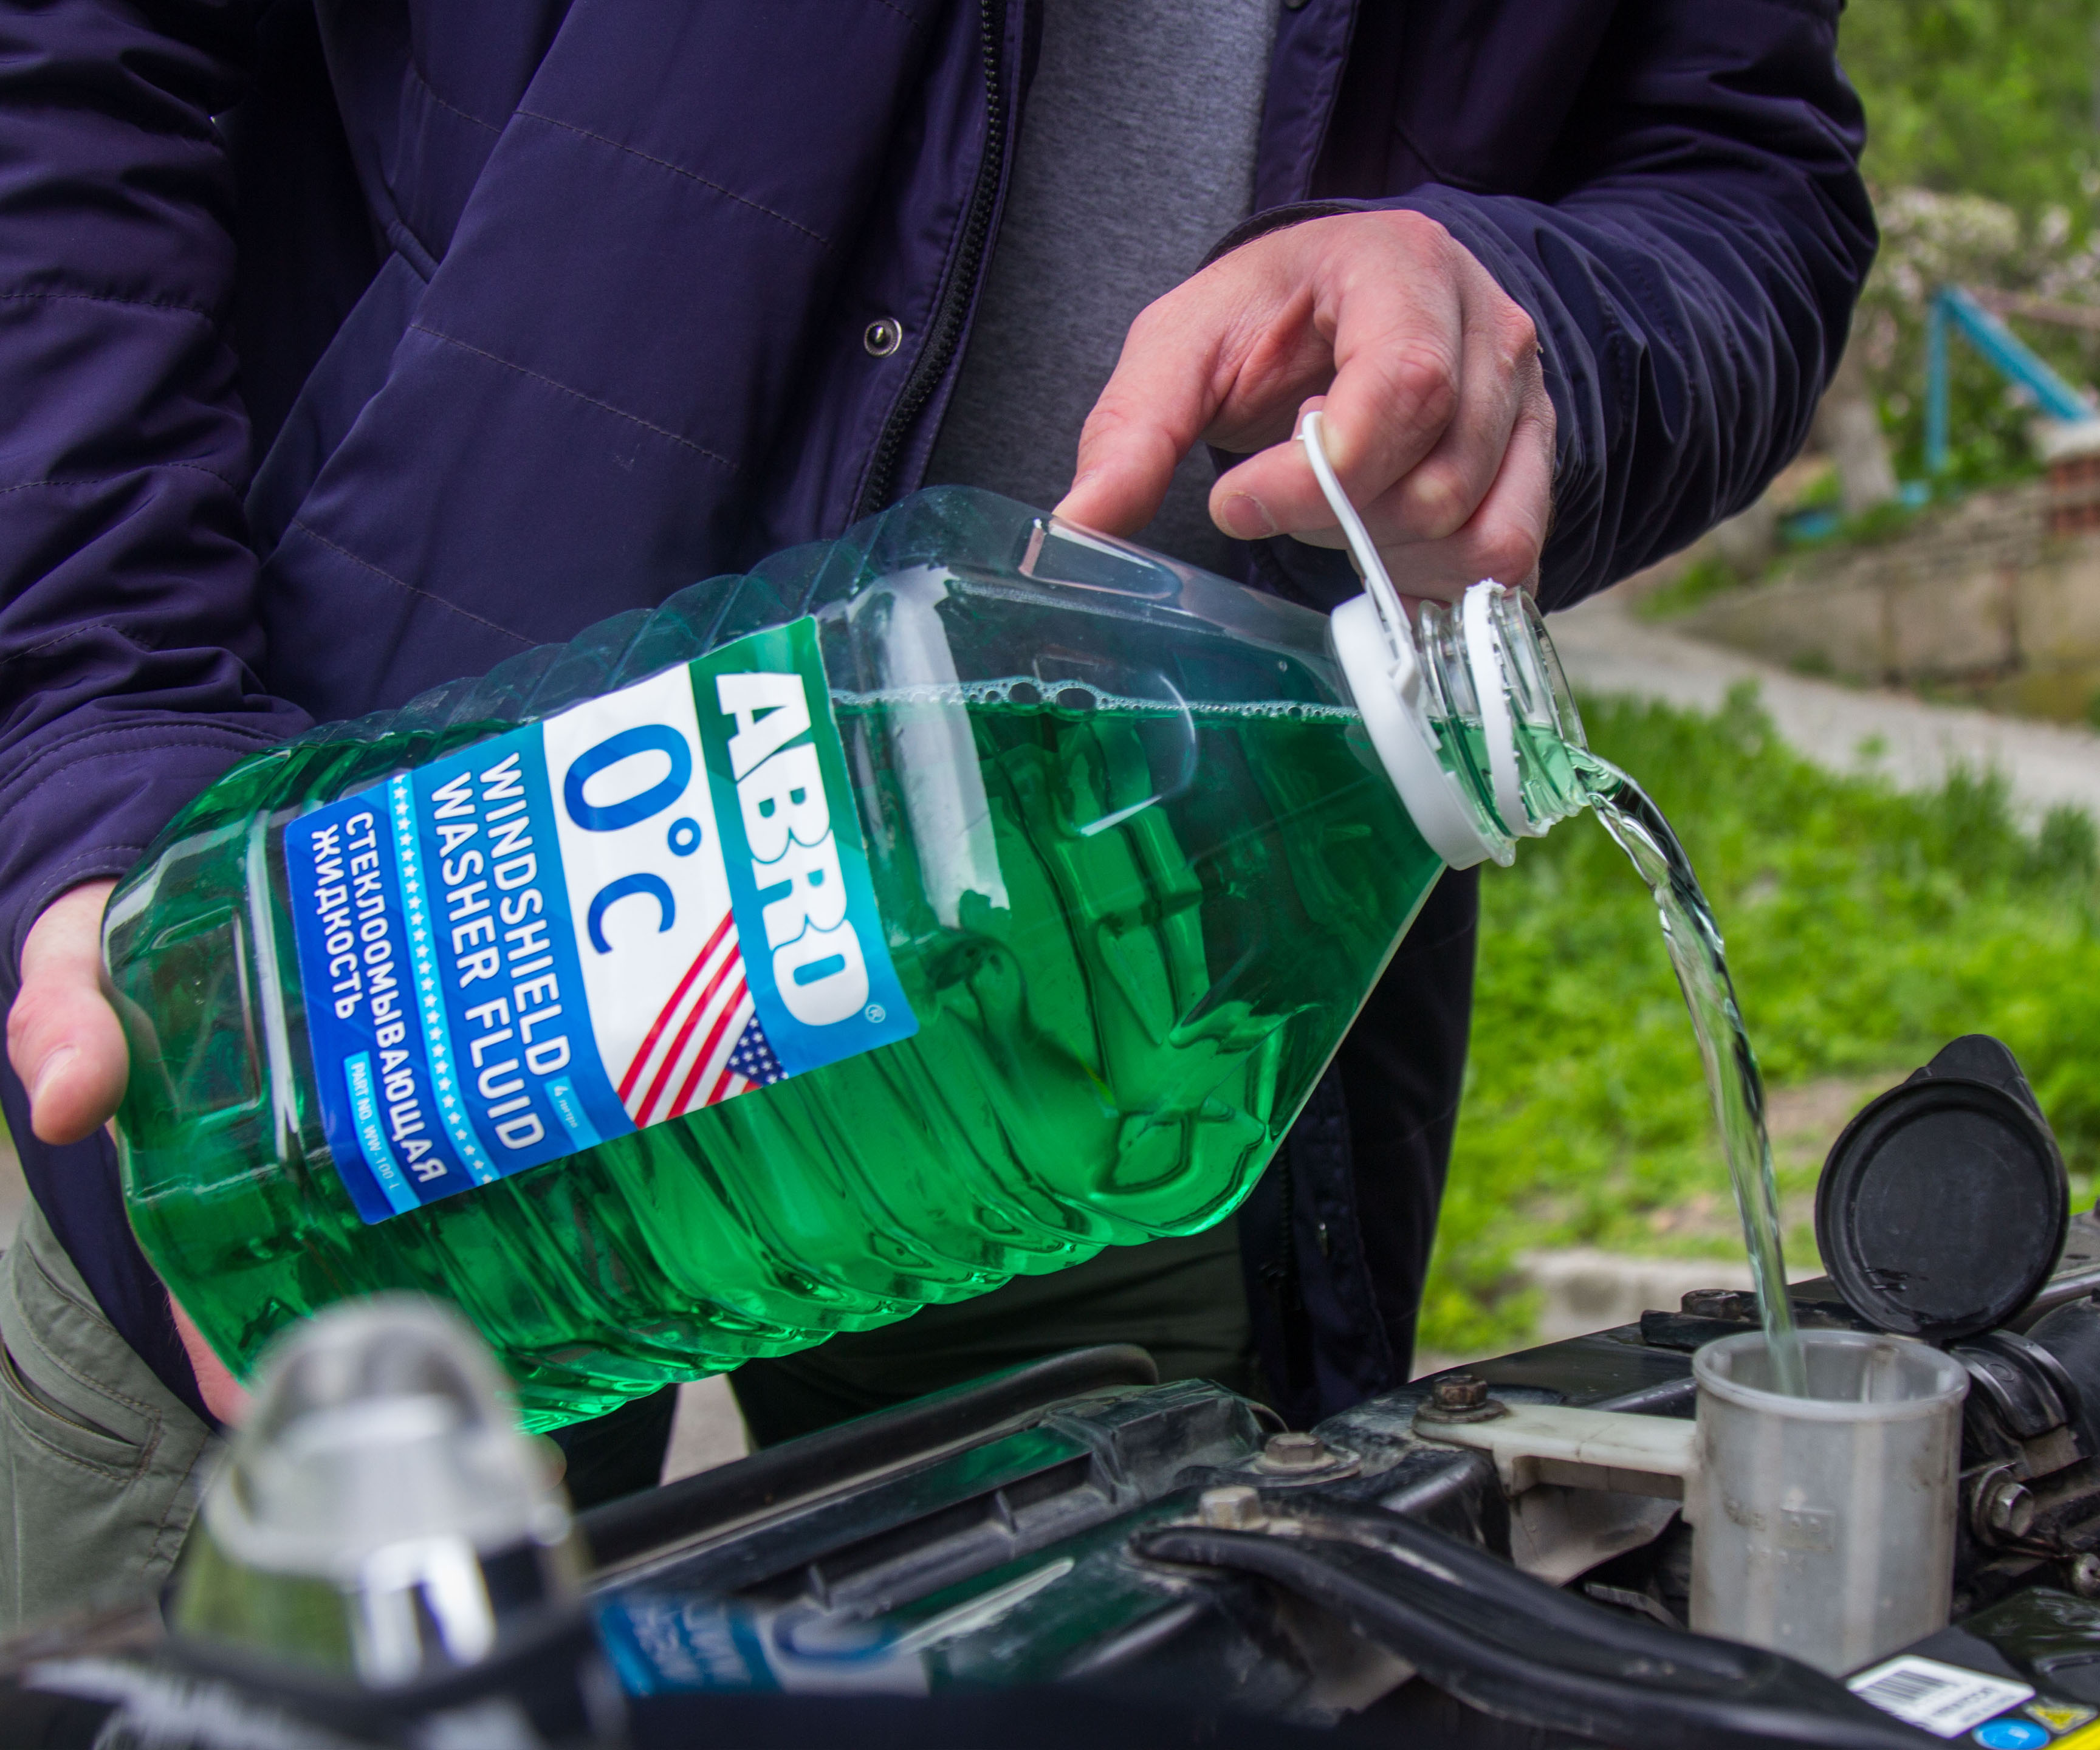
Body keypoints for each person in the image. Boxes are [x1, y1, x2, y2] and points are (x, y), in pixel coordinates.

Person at [0, 0, 1873, 1625]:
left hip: (1106, 983)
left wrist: (1534, 326)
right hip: (389, 924)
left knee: (1135, 1661)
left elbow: (1740, 172)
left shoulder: (1202, 1078)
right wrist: (104, 693)